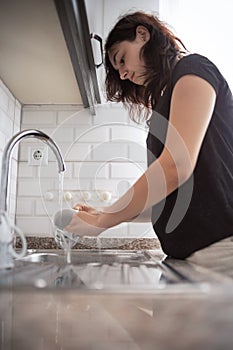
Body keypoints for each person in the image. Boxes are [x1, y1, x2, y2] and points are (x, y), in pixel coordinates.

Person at [66, 11, 233, 277]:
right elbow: (165, 198)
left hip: (222, 251)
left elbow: (175, 166)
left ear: (142, 35)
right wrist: (108, 211)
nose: (122, 74)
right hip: (190, 256)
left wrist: (103, 221)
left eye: (122, 58)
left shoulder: (193, 69)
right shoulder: (168, 100)